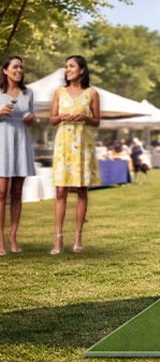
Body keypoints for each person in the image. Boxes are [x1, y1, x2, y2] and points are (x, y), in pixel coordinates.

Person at [50, 55, 101, 255]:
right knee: (60, 191)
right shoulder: (59, 93)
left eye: (71, 66)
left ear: (81, 70)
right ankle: (58, 238)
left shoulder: (92, 93)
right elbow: (52, 120)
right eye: (66, 67)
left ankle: (78, 237)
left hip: (82, 144)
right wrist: (60, 116)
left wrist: (85, 117)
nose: (67, 69)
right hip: (63, 144)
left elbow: (97, 121)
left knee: (81, 191)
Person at [0, 56, 37, 255]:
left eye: (21, 67)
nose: (19, 70)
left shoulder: (27, 92)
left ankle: (13, 237)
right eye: (15, 67)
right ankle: (0, 241)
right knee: (1, 193)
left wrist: (32, 119)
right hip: (2, 142)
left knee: (16, 194)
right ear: (5, 70)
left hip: (21, 142)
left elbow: (30, 117)